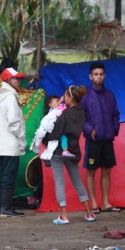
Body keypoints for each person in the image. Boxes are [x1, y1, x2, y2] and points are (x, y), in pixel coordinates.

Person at [45, 85, 96, 225]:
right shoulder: (81, 112)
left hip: (57, 152)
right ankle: (89, 213)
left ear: (70, 98)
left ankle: (64, 216)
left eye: (65, 97)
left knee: (60, 183)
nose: (63, 99)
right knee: (77, 181)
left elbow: (55, 133)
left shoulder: (64, 114)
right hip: (73, 151)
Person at [81, 62, 121, 214]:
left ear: (104, 75)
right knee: (91, 171)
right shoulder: (85, 95)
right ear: (90, 76)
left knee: (107, 171)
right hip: (93, 141)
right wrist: (90, 129)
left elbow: (116, 114)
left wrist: (114, 129)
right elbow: (80, 117)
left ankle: (105, 203)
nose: (99, 77)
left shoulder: (110, 94)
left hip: (107, 139)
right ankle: (94, 204)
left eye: (101, 74)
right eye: (96, 74)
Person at [0, 67, 27, 217]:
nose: (17, 81)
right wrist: (21, 139)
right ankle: (6, 208)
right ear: (7, 80)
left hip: (0, 143)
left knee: (3, 176)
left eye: (18, 78)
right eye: (15, 78)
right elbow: (14, 122)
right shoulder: (10, 97)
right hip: (10, 143)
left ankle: (0, 208)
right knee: (8, 176)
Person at [30, 95, 75, 166]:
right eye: (56, 101)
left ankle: (46, 158)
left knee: (52, 146)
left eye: (59, 101)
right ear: (50, 105)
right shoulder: (52, 111)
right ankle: (65, 151)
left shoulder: (58, 110)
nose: (59, 103)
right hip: (53, 131)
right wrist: (60, 100)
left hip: (56, 130)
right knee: (63, 138)